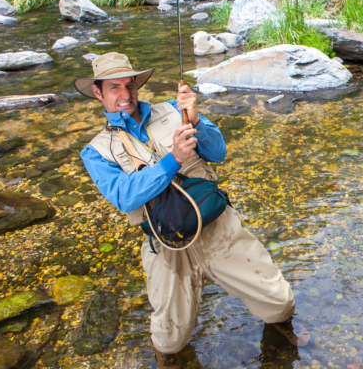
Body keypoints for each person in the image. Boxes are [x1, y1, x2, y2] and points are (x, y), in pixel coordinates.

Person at [75, 53, 310, 368]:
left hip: (216, 224)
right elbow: (125, 197)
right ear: (97, 92)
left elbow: (218, 151)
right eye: (114, 87)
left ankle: (281, 326)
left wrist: (196, 119)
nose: (125, 95)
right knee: (170, 339)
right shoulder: (96, 151)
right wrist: (173, 159)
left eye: (129, 85)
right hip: (166, 243)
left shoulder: (175, 109)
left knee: (280, 302)